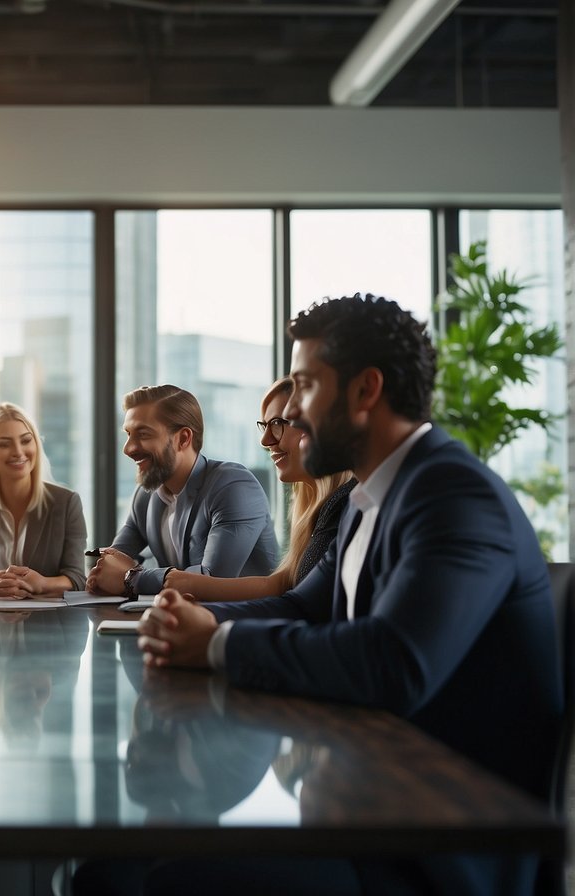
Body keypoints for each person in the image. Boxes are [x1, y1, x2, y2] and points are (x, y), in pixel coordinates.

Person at [128, 294, 561, 896]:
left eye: (305, 387)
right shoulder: (366, 499)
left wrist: (219, 643)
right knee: (123, 865)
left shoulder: (454, 494)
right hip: (367, 796)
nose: (293, 415)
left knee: (147, 876)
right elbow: (305, 603)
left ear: (365, 391)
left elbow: (394, 661)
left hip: (440, 846)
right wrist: (192, 618)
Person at [162, 376, 355, 601]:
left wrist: (145, 579)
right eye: (265, 426)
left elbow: (295, 603)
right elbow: (280, 584)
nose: (265, 440)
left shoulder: (343, 505)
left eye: (277, 423)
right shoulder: (316, 507)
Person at [86, 384, 278, 598]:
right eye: (128, 434)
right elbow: (113, 561)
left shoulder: (234, 486)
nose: (128, 448)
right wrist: (102, 573)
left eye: (143, 434)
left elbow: (210, 581)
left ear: (184, 438)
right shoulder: (145, 495)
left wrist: (130, 577)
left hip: (244, 625)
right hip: (179, 622)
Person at [0, 402, 87, 597]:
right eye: (4, 444)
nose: (19, 452)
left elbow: (77, 578)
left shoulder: (66, 503)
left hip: (47, 621)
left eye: (26, 440)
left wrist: (42, 583)